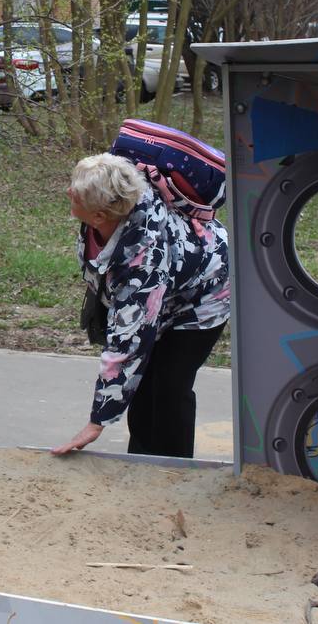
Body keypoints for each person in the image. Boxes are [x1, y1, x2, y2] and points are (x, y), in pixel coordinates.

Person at [51, 153, 229, 458]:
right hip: (166, 286)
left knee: (170, 387)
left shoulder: (142, 262)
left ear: (99, 216)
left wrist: (96, 422)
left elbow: (127, 344)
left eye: (76, 193)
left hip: (204, 296)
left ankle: (174, 468)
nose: (69, 191)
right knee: (143, 386)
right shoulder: (119, 198)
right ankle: (141, 461)